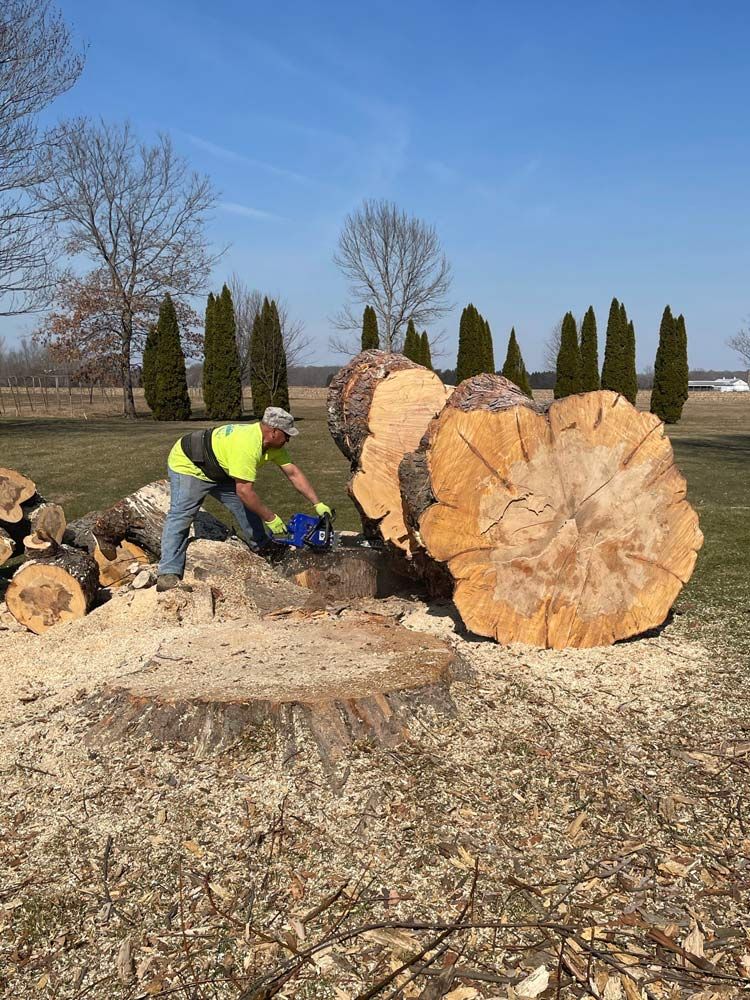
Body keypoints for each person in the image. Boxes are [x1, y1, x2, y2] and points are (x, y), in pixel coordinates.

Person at [156, 406, 332, 591]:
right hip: (191, 464)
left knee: (247, 506)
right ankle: (168, 573)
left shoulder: (273, 446)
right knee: (182, 515)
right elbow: (244, 491)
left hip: (220, 467)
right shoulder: (248, 445)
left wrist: (317, 503)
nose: (288, 439)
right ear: (273, 431)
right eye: (286, 435)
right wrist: (271, 518)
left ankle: (262, 547)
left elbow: (293, 473)